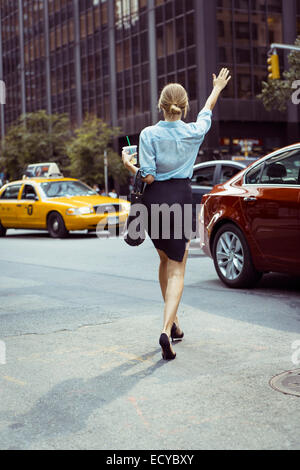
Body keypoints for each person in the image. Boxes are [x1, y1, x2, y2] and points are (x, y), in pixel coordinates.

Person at [122, 68, 231, 360]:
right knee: (178, 269)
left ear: (161, 105)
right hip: (181, 199)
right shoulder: (194, 131)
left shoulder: (148, 134)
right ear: (184, 107)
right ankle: (166, 328)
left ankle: (175, 325)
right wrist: (217, 88)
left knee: (163, 261)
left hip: (155, 201)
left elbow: (146, 178)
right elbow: (207, 110)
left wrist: (127, 165)